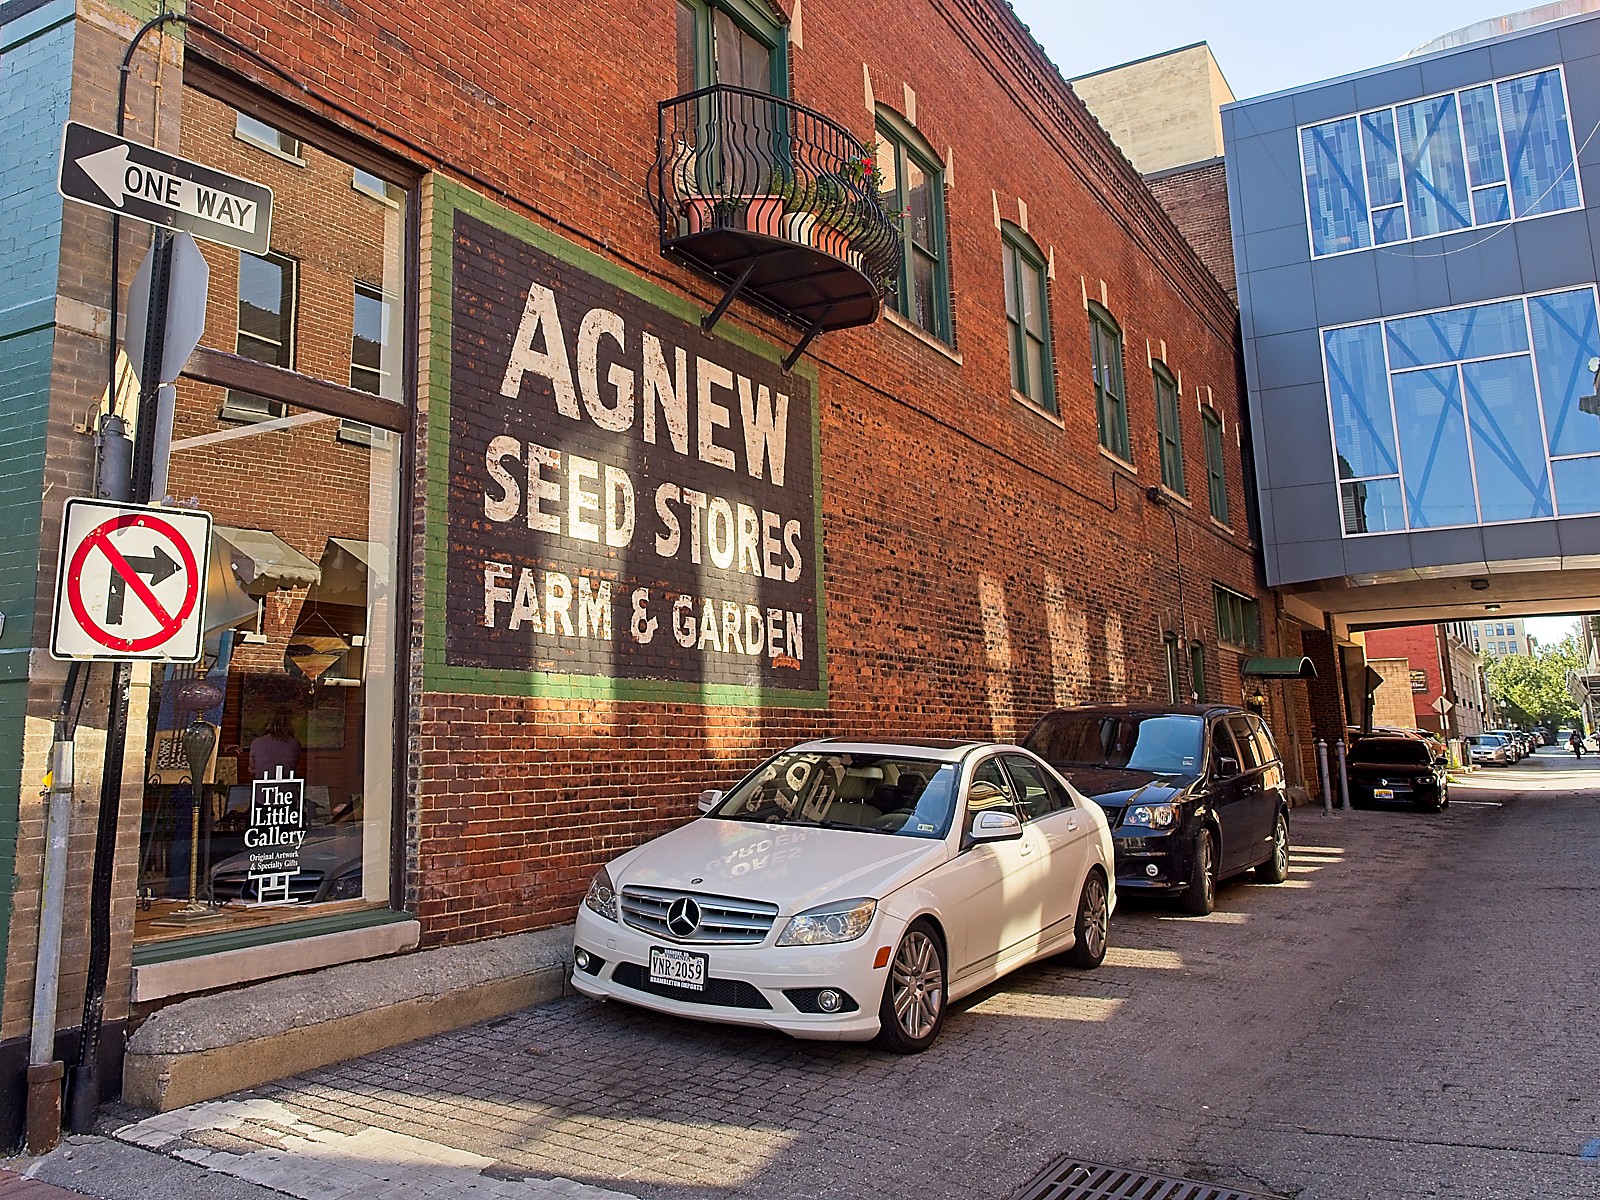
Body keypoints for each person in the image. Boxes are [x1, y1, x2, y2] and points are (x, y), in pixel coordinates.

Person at [249, 709, 302, 778]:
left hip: (262, 784)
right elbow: (292, 765)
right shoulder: (294, 743)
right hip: (287, 784)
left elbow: (252, 768)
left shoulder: (256, 743)